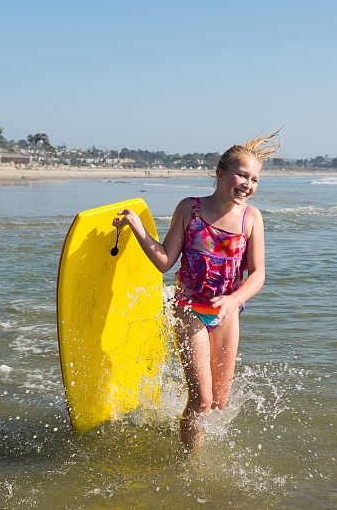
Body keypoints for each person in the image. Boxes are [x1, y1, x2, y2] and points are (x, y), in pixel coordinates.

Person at [112, 130, 280, 448]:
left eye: (255, 179)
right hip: (190, 309)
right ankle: (189, 468)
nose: (248, 184)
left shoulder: (252, 218)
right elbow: (164, 261)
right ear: (220, 174)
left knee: (218, 400)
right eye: (241, 174)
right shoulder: (190, 209)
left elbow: (258, 275)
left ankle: (181, 409)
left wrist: (234, 299)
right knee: (202, 400)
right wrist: (137, 227)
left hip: (228, 313)